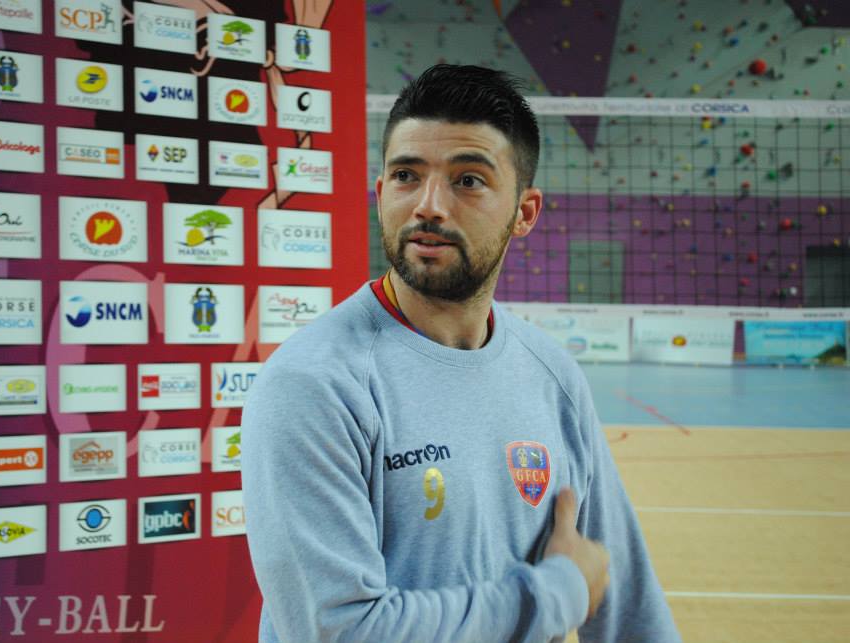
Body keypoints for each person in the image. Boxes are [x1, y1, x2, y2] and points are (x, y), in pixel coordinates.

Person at [242, 64, 681, 642]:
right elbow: (340, 632)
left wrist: (575, 590)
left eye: (468, 180)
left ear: (525, 212)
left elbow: (630, 604)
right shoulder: (314, 384)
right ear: (380, 193)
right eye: (406, 175)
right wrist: (556, 593)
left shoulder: (553, 375)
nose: (429, 205)